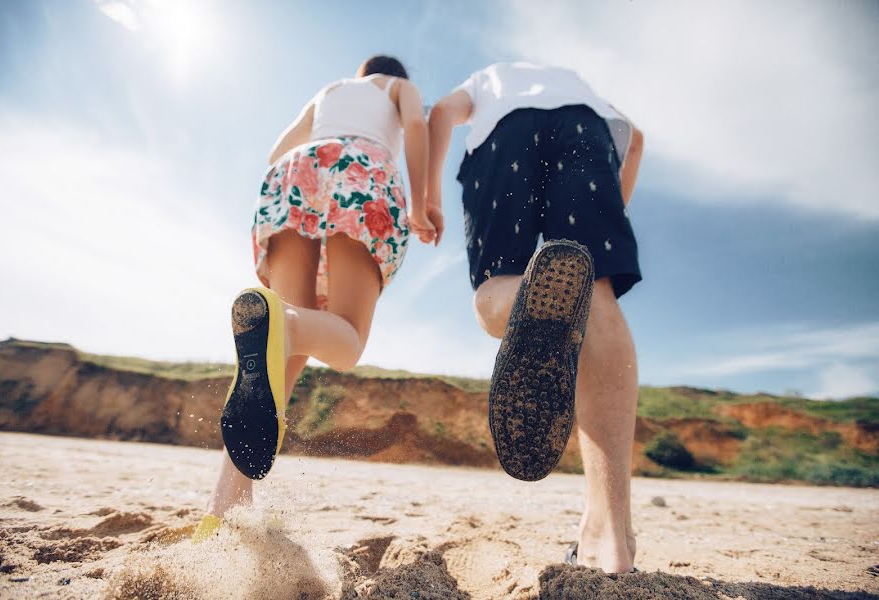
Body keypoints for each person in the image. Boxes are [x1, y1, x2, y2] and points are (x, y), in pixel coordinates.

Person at [193, 55, 431, 541]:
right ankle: (288, 322)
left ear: (359, 71)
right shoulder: (397, 88)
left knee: (278, 364)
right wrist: (424, 201)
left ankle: (223, 511)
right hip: (361, 170)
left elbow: (278, 148)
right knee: (345, 339)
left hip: (293, 174)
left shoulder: (330, 91)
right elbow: (417, 126)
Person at [420, 62, 644, 573]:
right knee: (597, 293)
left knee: (494, 290)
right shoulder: (578, 84)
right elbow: (637, 141)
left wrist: (428, 196)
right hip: (586, 129)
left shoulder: (490, 78)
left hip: (505, 133)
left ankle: (526, 292)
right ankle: (611, 540)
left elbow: (440, 114)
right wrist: (614, 209)